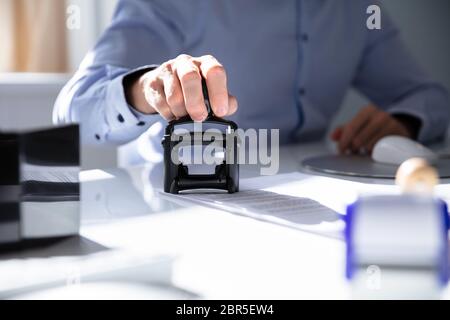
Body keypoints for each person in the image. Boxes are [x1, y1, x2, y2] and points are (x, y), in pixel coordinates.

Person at [54, 0, 449, 157]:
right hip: (177, 206)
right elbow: (71, 113)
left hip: (316, 209)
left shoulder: (357, 11)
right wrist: (147, 89)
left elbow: (430, 97)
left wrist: (406, 120)